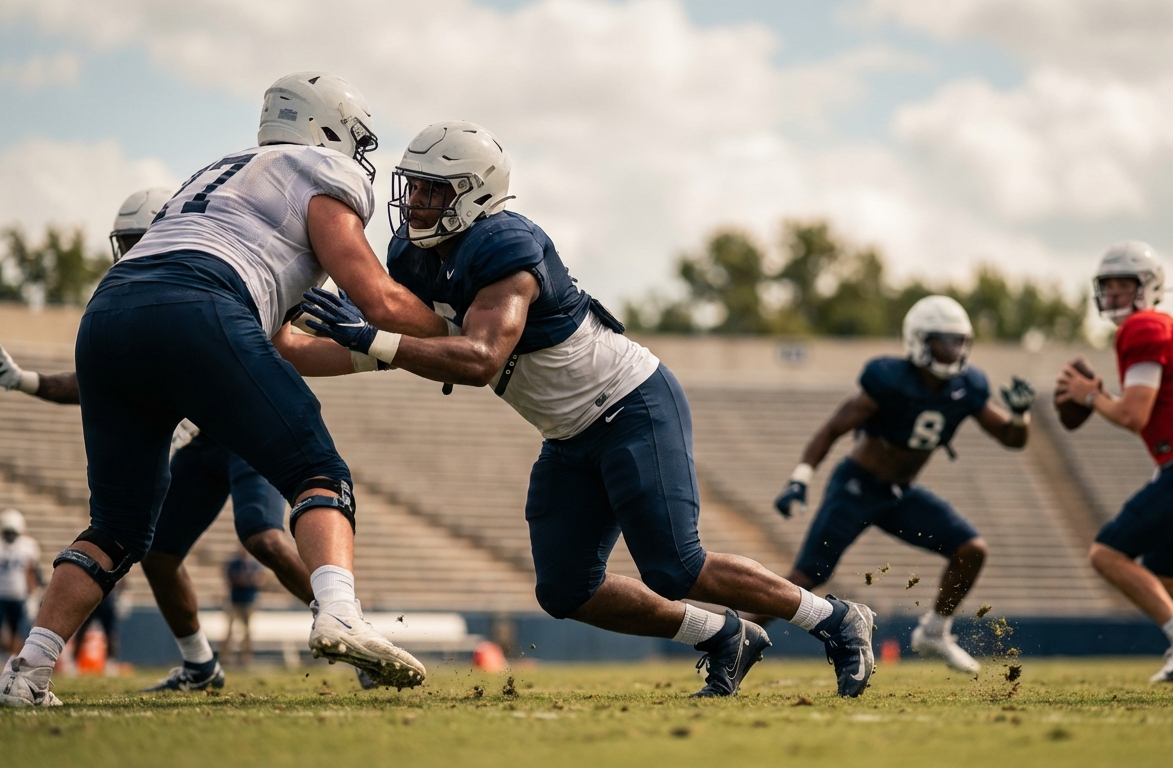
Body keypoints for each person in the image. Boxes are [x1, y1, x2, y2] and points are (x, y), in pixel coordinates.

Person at [295, 120, 878, 698]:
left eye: (433, 190)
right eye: (414, 186)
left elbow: (478, 359)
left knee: (678, 566)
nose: (416, 203)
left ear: (475, 192)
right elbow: (376, 323)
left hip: (630, 404)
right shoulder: (412, 253)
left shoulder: (504, 246)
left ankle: (835, 619)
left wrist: (369, 337)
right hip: (569, 432)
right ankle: (724, 635)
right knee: (566, 589)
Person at [0, 71, 449, 708]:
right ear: (328, 131)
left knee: (118, 527)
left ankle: (28, 671)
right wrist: (451, 333)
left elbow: (286, 344)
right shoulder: (319, 170)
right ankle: (341, 612)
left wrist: (382, 359)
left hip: (107, 318)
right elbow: (374, 296)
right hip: (200, 305)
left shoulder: (218, 174)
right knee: (317, 469)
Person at [0, 188, 369, 693]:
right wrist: (26, 380)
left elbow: (284, 345)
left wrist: (376, 345)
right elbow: (101, 385)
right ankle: (200, 664)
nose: (135, 253)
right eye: (128, 242)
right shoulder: (151, 297)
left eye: (141, 238)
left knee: (260, 534)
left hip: (245, 427)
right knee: (153, 547)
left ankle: (349, 628)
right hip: (202, 438)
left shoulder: (226, 263)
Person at [766, 295, 1033, 674]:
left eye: (958, 341)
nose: (951, 350)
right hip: (856, 488)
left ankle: (935, 632)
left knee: (971, 549)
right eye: (943, 341)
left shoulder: (967, 387)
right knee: (805, 578)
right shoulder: (888, 380)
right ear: (919, 341)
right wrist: (800, 478)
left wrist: (1021, 416)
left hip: (899, 495)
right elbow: (833, 427)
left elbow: (1010, 437)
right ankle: (737, 635)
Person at [1057, 243, 1173, 683]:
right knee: (1164, 574)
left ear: (1149, 287)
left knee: (1106, 554)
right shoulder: (1172, 327)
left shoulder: (1142, 327)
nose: (1116, 294)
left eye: (1126, 285)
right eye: (1110, 286)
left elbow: (1132, 414)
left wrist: (1090, 395)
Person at [0, 510, 41, 661]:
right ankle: (6, 658)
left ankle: (13, 658)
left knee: (19, 631)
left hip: (19, 594)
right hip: (2, 594)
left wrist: (33, 594)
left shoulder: (27, 546)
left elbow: (30, 572)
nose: (10, 536)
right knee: (6, 631)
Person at [223, 547, 266, 667]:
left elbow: (260, 580)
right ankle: (226, 656)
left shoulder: (254, 565)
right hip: (235, 601)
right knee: (229, 630)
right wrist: (249, 579)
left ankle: (245, 656)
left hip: (249, 601)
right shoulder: (234, 564)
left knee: (248, 631)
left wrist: (246, 580)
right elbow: (234, 579)